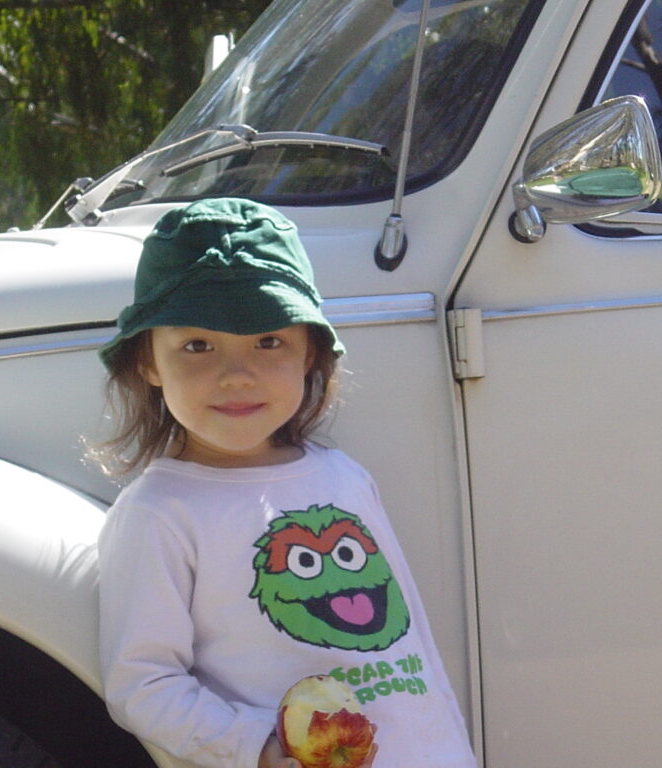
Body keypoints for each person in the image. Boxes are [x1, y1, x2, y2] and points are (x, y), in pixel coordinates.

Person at [94, 197, 477, 768]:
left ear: (309, 353)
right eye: (197, 346)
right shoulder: (160, 512)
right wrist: (255, 746)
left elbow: (411, 645)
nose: (235, 374)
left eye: (268, 341)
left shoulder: (343, 477)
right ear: (148, 361)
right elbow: (142, 684)